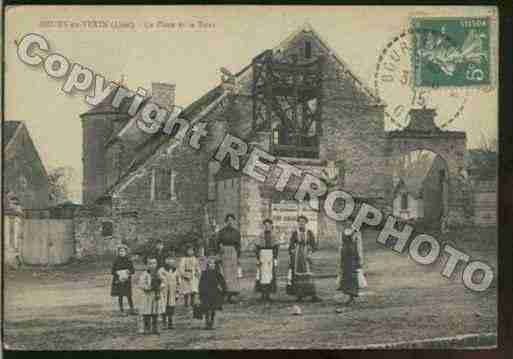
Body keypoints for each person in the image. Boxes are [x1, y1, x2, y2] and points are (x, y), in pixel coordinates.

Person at [286, 215, 321, 302]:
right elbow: (290, 245)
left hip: (307, 256)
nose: (301, 223)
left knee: (309, 274)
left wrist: (310, 252)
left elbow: (314, 245)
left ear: (306, 223)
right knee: (298, 275)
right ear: (298, 223)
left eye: (303, 222)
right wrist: (292, 252)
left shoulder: (309, 233)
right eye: (300, 222)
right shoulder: (295, 233)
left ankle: (313, 295)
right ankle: (299, 295)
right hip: (297, 257)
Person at [337, 226, 367, 308]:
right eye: (347, 221)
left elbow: (359, 246)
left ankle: (352, 296)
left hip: (353, 256)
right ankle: (348, 295)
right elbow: (340, 245)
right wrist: (340, 257)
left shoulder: (357, 232)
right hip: (345, 256)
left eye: (350, 221)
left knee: (353, 276)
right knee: (345, 275)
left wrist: (360, 258)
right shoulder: (342, 232)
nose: (348, 223)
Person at [216, 214, 241, 303]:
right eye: (228, 220)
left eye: (232, 220)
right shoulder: (221, 232)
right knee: (225, 273)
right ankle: (224, 294)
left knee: (233, 274)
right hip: (224, 253)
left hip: (233, 253)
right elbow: (217, 243)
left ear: (234, 221)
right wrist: (219, 250)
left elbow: (238, 245)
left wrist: (238, 256)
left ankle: (231, 295)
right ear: (226, 222)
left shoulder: (236, 232)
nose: (230, 222)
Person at [254, 218, 279, 302]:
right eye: (265, 225)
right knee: (261, 275)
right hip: (262, 255)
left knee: (270, 275)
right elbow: (256, 248)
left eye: (269, 225)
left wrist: (275, 258)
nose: (267, 227)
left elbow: (276, 248)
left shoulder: (274, 236)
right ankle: (262, 294)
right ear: (263, 226)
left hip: (270, 255)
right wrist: (257, 258)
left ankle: (268, 294)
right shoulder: (260, 235)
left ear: (271, 226)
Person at [199, 256, 227, 330]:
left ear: (215, 265)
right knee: (207, 309)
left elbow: (222, 282)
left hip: (214, 293)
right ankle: (207, 322)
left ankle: (211, 321)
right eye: (210, 263)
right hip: (206, 293)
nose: (211, 265)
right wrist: (201, 293)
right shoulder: (204, 273)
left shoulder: (217, 273)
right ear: (207, 265)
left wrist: (224, 290)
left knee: (213, 309)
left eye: (213, 263)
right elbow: (201, 284)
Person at [138, 257, 165, 334]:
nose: (152, 265)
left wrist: (161, 286)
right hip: (147, 295)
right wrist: (147, 287)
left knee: (155, 312)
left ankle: (155, 328)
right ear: (147, 265)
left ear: (156, 264)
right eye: (150, 263)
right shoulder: (144, 274)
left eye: (154, 263)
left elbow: (163, 282)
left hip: (156, 295)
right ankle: (147, 328)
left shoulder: (158, 274)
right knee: (147, 312)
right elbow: (141, 284)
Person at [110, 245, 136, 315]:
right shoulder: (116, 261)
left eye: (123, 251)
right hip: (119, 280)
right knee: (120, 295)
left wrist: (129, 272)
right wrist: (117, 273)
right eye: (120, 251)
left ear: (126, 252)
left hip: (127, 280)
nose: (121, 253)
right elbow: (112, 271)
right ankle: (122, 310)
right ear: (118, 252)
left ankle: (132, 309)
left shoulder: (128, 260)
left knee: (129, 295)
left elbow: (133, 270)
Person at [158, 255, 181, 329]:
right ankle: (164, 323)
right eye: (168, 259)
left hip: (172, 291)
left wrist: (177, 292)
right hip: (164, 291)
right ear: (165, 260)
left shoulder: (176, 270)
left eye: (171, 259)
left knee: (171, 306)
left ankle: (170, 322)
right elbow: (159, 280)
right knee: (163, 306)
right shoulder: (161, 270)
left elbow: (178, 282)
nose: (170, 261)